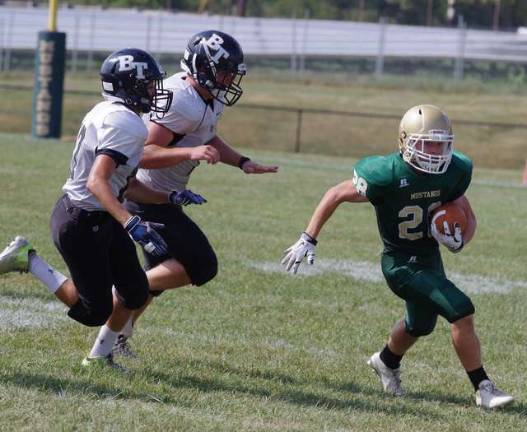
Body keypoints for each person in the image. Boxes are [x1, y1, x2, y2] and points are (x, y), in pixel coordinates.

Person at [282, 104, 513, 409]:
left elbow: (467, 214)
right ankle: (483, 388)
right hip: (400, 264)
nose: (436, 150)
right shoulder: (385, 174)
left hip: (429, 259)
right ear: (406, 142)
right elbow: (335, 193)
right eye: (428, 142)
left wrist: (460, 241)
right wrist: (308, 238)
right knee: (461, 310)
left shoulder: (454, 170)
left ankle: (386, 361)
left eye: (442, 143)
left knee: (420, 325)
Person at [0, 48, 203, 369]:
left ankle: (99, 357)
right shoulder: (125, 123)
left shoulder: (115, 114)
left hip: (100, 216)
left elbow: (127, 183)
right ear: (129, 86)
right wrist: (131, 223)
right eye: (149, 84)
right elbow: (98, 182)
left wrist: (170, 198)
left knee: (135, 292)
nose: (155, 91)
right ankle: (28, 260)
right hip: (81, 221)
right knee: (93, 310)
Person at [112, 30, 279, 357]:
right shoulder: (181, 99)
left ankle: (115, 338)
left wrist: (242, 162)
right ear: (201, 67)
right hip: (146, 196)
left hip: (166, 196)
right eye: (224, 70)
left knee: (160, 277)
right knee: (200, 265)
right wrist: (189, 154)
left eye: (232, 71)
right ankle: (123, 294)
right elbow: (140, 152)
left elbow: (207, 136)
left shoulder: (208, 95)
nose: (230, 77)